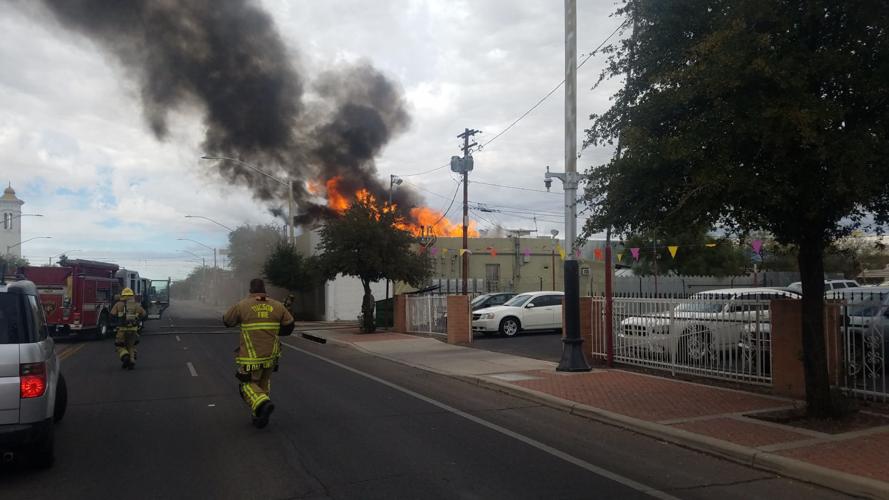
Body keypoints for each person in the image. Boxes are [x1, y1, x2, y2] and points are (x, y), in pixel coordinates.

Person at [223, 278, 294, 428]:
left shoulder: (242, 305)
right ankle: (259, 417)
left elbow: (227, 321)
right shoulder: (277, 306)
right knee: (263, 385)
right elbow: (289, 327)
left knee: (246, 385)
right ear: (264, 290)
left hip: (251, 357)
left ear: (250, 290)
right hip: (272, 355)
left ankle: (263, 404)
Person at [111, 288, 146, 370]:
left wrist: (116, 322)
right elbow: (144, 314)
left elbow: (112, 315)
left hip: (121, 330)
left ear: (122, 295)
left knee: (119, 346)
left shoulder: (118, 304)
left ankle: (125, 356)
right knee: (131, 346)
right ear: (132, 295)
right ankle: (132, 361)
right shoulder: (136, 305)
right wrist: (138, 320)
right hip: (133, 330)